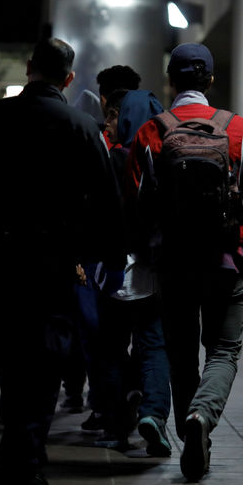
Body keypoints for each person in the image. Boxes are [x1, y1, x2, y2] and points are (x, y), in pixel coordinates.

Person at [0, 38, 126, 485]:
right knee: (47, 359)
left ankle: (22, 449)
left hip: (3, 261)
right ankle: (24, 457)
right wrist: (99, 258)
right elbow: (108, 205)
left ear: (29, 68)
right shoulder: (80, 126)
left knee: (12, 356)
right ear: (69, 79)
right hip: (54, 265)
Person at [124, 43, 243, 480]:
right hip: (224, 263)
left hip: (174, 265)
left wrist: (151, 247)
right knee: (223, 349)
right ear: (210, 81)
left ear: (170, 80)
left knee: (179, 354)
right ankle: (202, 419)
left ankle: (189, 432)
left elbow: (135, 204)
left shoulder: (152, 132)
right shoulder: (235, 129)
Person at [94, 88, 173, 456]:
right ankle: (153, 414)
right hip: (151, 270)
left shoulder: (108, 158)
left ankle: (115, 425)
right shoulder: (160, 156)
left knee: (111, 348)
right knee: (154, 345)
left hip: (110, 272)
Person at [73, 64, 144, 435]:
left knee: (101, 340)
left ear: (104, 100)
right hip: (148, 260)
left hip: (100, 259)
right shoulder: (154, 136)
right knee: (143, 340)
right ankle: (144, 404)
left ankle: (108, 409)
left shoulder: (97, 140)